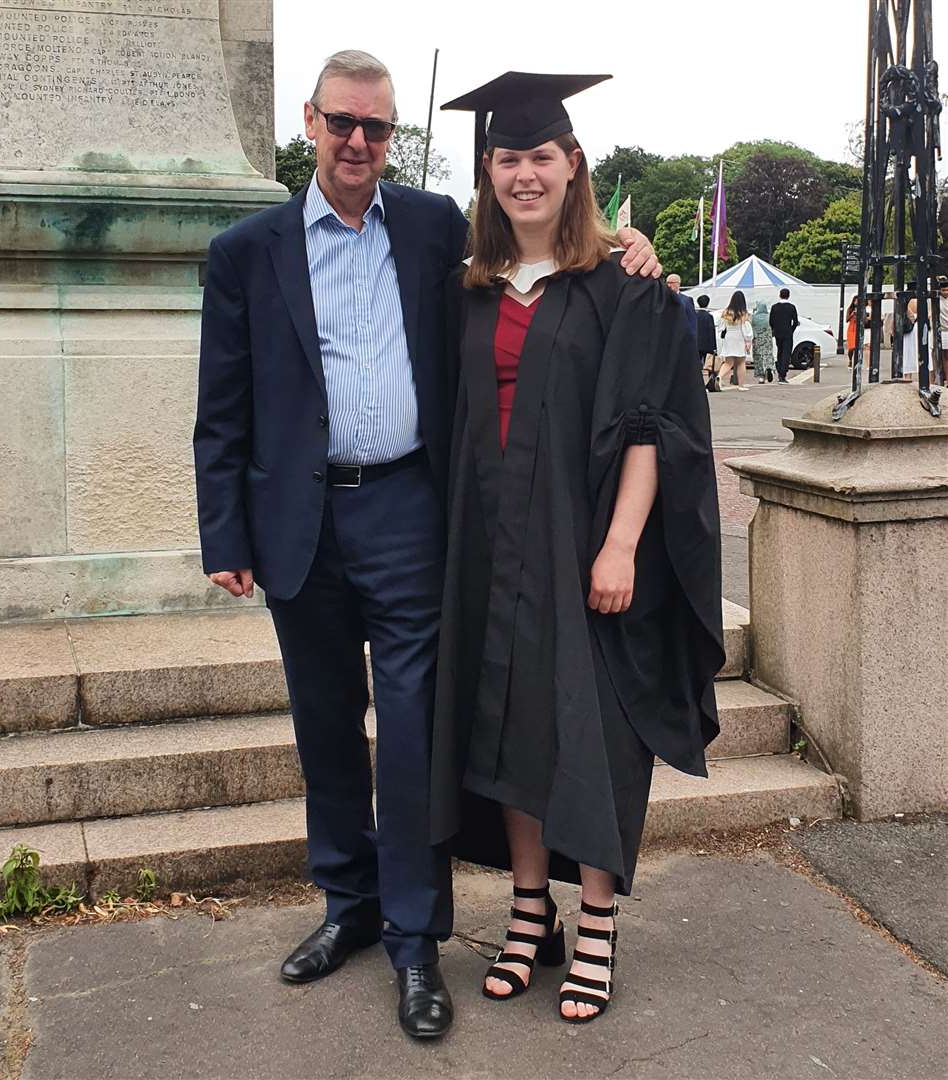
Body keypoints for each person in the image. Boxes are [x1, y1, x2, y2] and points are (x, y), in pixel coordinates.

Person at [193, 50, 660, 1040]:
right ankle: (345, 907)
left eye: (377, 127)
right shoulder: (245, 252)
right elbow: (221, 409)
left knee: (411, 732)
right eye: (342, 124)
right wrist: (222, 532)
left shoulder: (430, 227)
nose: (359, 142)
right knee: (325, 727)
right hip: (299, 526)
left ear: (392, 134)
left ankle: (413, 938)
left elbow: (541, 242)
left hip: (409, 511)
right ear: (310, 122)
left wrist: (632, 241)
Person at [431, 71, 723, 1025]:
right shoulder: (468, 292)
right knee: (506, 724)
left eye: (540, 157)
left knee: (590, 730)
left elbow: (651, 428)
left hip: (583, 543)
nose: (525, 174)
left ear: (573, 166)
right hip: (490, 544)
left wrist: (623, 546)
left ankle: (595, 921)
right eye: (508, 159)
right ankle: (529, 913)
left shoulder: (618, 285)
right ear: (489, 172)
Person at [715, 290, 754, 390]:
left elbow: (721, 327)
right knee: (741, 362)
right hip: (739, 337)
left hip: (729, 337)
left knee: (728, 362)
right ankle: (741, 385)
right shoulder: (744, 314)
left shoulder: (726, 312)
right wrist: (748, 341)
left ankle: (719, 377)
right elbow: (746, 329)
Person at [769, 287, 799, 383]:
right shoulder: (791, 307)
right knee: (787, 353)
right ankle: (783, 374)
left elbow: (771, 321)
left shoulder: (774, 307)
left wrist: (774, 329)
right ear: (788, 296)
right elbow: (795, 321)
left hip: (778, 332)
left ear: (780, 295)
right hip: (787, 333)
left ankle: (779, 371)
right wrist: (791, 330)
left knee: (780, 351)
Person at [696, 294, 718, 391]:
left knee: (697, 364)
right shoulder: (709, 316)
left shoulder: (695, 315)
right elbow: (711, 331)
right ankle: (708, 382)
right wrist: (714, 346)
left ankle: (697, 382)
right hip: (707, 344)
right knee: (709, 365)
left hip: (696, 343)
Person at [751, 299, 777, 383]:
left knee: (758, 357)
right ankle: (769, 368)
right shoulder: (769, 316)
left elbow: (750, 327)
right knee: (768, 355)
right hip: (767, 339)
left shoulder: (754, 317)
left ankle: (761, 377)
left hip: (757, 339)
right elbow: (773, 327)